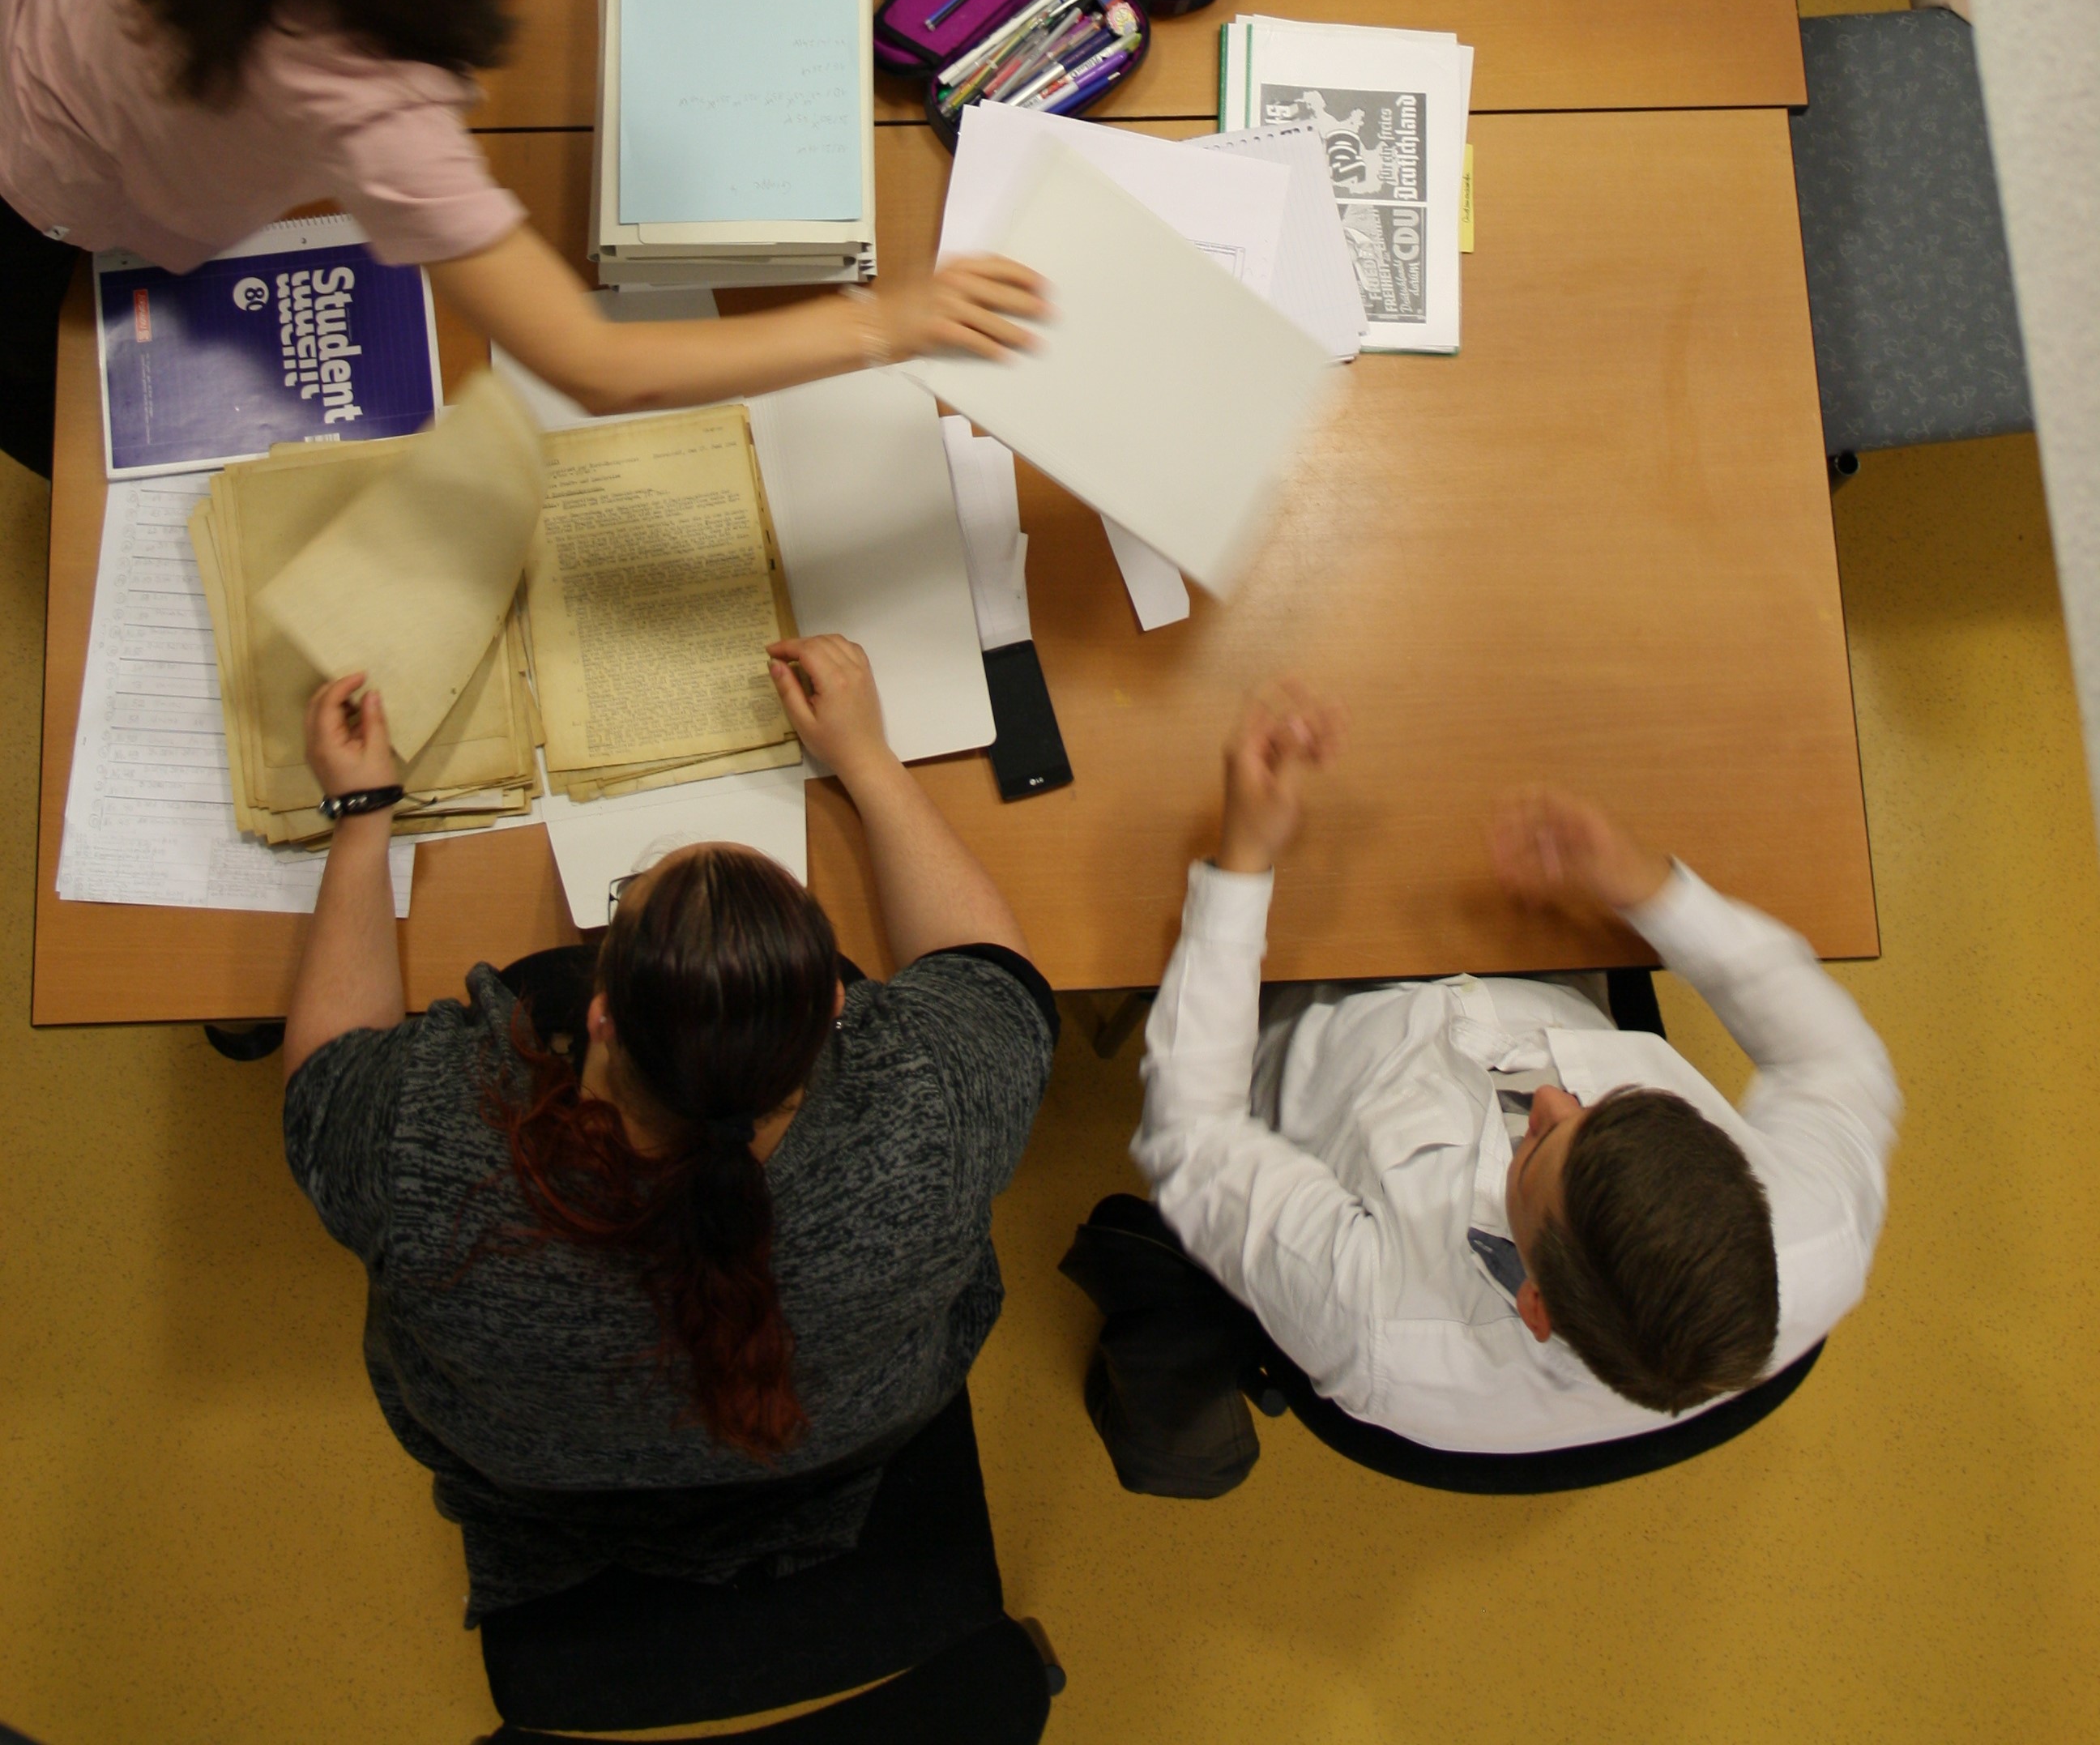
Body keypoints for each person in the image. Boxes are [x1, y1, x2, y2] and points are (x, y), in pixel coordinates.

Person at [0, 0, 1037, 476]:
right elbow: (599, 365)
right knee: (63, 435)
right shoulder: (371, 105)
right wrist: (889, 322)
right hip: (41, 191)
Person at [281, 633, 1057, 1622]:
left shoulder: (431, 1149)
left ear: (596, 1012)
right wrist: (866, 758)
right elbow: (988, 968)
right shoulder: (930, 1110)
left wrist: (360, 817)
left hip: (528, 1476)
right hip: (844, 1445)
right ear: (833, 1008)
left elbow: (327, 1077)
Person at [1079, 693, 1897, 1482]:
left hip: (1324, 1022)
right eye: (1599, 1106)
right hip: (1531, 967)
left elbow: (1194, 1137)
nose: (1550, 1101)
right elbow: (1833, 1064)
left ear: (1535, 1305)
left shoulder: (1378, 1323)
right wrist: (1646, 886)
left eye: (1537, 1149)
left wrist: (1244, 862)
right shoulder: (1814, 1236)